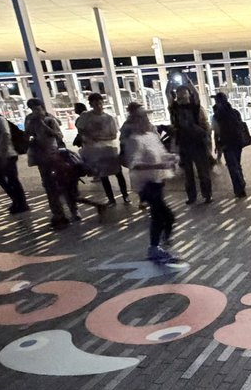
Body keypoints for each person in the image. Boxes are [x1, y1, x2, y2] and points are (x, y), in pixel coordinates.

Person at [125, 110, 180, 262]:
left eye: (145, 119)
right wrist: (159, 166)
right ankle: (156, 247)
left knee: (164, 216)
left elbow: (161, 154)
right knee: (161, 215)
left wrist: (172, 158)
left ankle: (159, 244)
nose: (145, 122)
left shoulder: (151, 136)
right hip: (146, 184)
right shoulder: (134, 140)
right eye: (141, 119)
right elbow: (135, 164)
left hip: (157, 181)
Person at [25, 98, 79, 229]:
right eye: (32, 109)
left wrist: (43, 125)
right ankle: (58, 214)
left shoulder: (50, 120)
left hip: (55, 156)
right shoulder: (30, 120)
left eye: (37, 109)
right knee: (49, 187)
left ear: (42, 108)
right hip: (41, 158)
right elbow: (26, 135)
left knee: (64, 184)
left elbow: (59, 136)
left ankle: (74, 210)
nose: (35, 112)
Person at [75, 93, 129, 205]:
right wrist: (88, 137)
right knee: (103, 175)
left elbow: (114, 135)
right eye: (95, 104)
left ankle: (125, 196)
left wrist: (100, 138)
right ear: (91, 104)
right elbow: (80, 129)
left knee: (118, 172)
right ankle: (111, 199)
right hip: (94, 151)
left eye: (100, 103)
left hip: (109, 148)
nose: (98, 106)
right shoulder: (86, 116)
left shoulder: (109, 118)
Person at [169, 85, 214, 204]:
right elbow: (168, 95)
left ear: (189, 94)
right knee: (188, 173)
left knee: (202, 171)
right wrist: (171, 85)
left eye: (184, 92)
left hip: (197, 142)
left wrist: (189, 83)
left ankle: (207, 195)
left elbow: (197, 95)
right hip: (184, 143)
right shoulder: (175, 108)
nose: (182, 95)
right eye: (180, 93)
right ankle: (192, 196)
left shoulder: (194, 107)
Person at [213, 92, 250, 198]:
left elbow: (216, 131)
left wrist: (217, 145)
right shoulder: (235, 112)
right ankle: (241, 183)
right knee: (237, 164)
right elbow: (240, 125)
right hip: (238, 141)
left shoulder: (217, 115)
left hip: (226, 143)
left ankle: (239, 189)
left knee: (232, 166)